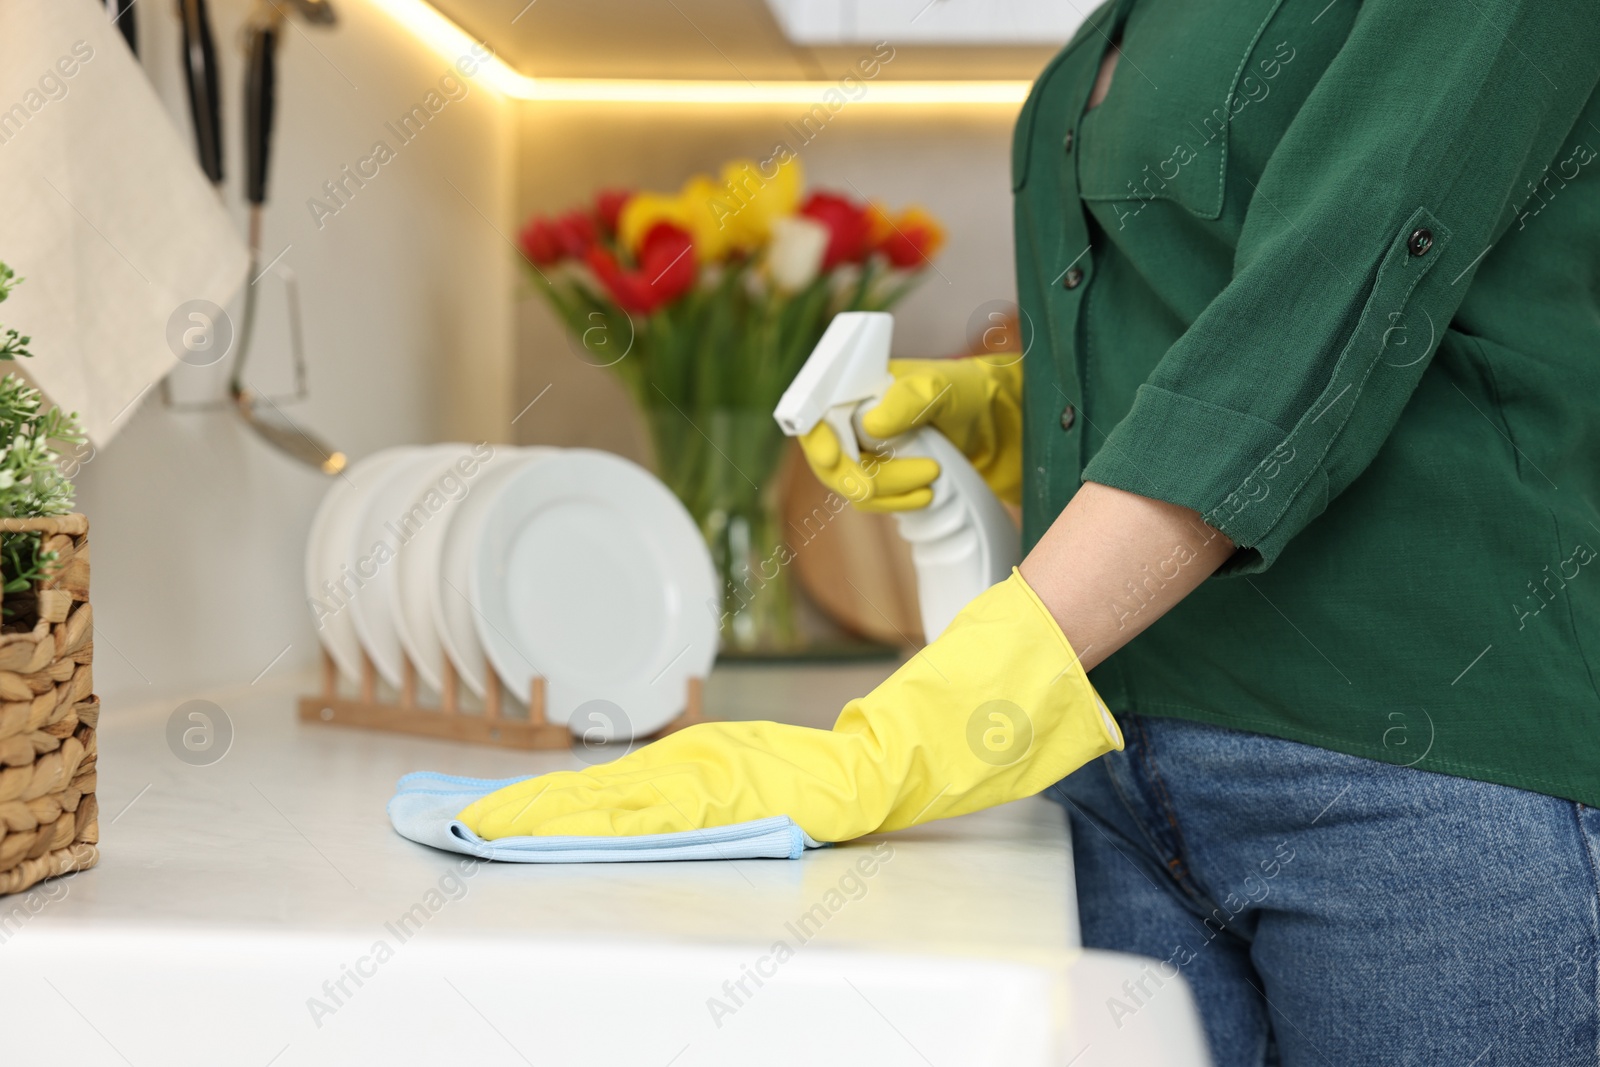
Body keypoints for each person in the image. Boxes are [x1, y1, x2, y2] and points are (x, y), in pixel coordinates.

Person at [461, 1, 1600, 1061]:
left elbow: (1325, 304)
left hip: (1412, 778)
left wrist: (919, 727)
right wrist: (1016, 411)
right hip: (1113, 756)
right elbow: (1207, 325)